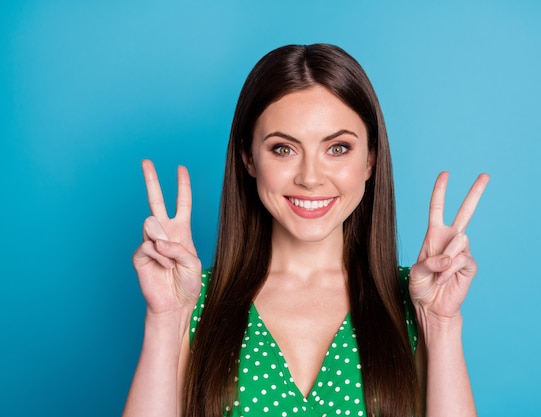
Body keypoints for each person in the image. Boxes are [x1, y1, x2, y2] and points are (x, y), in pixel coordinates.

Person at [123, 43, 489, 417]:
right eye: (283, 149)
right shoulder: (193, 301)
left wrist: (442, 323)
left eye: (338, 148)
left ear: (370, 160)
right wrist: (165, 318)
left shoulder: (416, 301)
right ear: (249, 158)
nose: (310, 178)